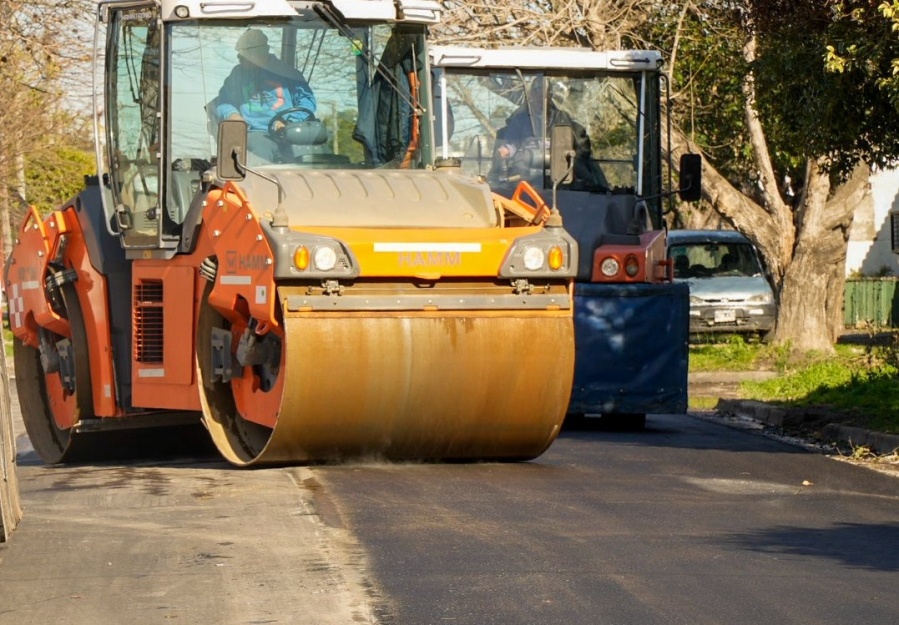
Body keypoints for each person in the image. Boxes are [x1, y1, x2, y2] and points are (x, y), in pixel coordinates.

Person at [214, 29, 317, 163]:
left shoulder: (287, 72)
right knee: (260, 151)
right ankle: (258, 183)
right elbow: (223, 101)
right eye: (241, 54)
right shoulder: (237, 74)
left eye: (249, 53)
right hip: (256, 132)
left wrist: (289, 121)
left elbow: (307, 102)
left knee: (310, 157)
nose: (241, 58)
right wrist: (232, 114)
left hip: (290, 131)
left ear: (264, 51)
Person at [493, 79, 609, 189]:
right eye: (537, 91)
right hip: (525, 169)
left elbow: (578, 145)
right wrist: (506, 149)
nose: (540, 96)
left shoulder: (563, 119)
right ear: (531, 95)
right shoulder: (520, 120)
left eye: (544, 92)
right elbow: (512, 143)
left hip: (559, 168)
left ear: (550, 95)